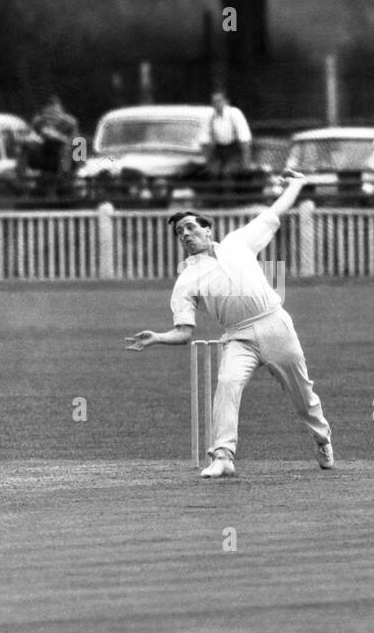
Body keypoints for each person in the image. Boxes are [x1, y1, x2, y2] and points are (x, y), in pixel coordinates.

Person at [125, 169, 333, 478]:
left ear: (208, 230)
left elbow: (275, 212)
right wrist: (157, 337)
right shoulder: (187, 279)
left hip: (276, 325)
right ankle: (222, 456)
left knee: (303, 396)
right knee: (227, 385)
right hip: (239, 337)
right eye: (180, 232)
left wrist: (298, 184)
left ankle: (322, 439)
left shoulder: (238, 242)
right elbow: (184, 332)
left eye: (190, 227)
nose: (185, 234)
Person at [205, 90, 252, 202]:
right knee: (212, 172)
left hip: (234, 150)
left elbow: (245, 137)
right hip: (219, 150)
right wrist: (209, 158)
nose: (217, 104)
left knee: (228, 173)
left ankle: (229, 202)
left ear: (225, 101)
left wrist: (246, 161)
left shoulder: (234, 114)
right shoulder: (211, 117)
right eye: (214, 102)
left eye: (219, 101)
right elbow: (207, 138)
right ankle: (215, 203)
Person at [31, 95, 80, 195]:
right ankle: (23, 180)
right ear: (43, 113)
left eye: (55, 113)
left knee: (79, 144)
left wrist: (58, 136)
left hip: (66, 153)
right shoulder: (38, 122)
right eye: (48, 114)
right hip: (46, 151)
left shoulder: (70, 123)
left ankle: (64, 180)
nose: (52, 117)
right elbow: (34, 137)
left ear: (61, 112)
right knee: (26, 146)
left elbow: (75, 141)